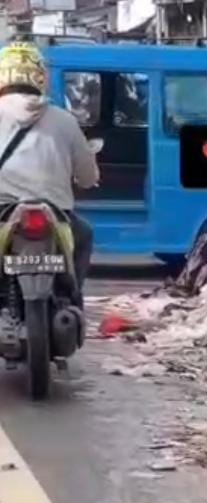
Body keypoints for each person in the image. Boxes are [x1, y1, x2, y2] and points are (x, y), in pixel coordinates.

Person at [0, 42, 99, 305]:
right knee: (85, 234)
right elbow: (87, 178)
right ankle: (72, 297)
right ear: (40, 77)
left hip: (2, 210)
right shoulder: (65, 119)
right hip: (56, 212)